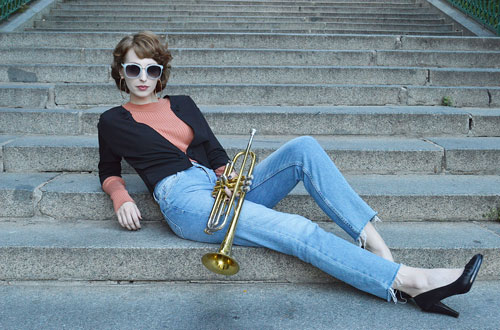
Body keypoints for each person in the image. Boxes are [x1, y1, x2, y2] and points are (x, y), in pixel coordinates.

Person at [98, 31, 482, 318]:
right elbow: (108, 170)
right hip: (184, 200)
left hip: (219, 187)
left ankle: (374, 243)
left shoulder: (181, 103)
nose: (143, 77)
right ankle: (411, 282)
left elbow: (213, 150)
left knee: (303, 147)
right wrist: (122, 196)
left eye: (152, 69)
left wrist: (229, 172)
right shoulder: (112, 121)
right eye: (134, 69)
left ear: (161, 72)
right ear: (121, 72)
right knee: (297, 228)